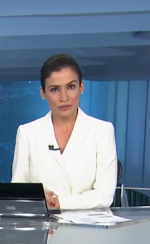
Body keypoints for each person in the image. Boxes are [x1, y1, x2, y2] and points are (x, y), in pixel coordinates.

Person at [11, 54, 117, 210]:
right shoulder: (27, 133)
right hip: (44, 229)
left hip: (89, 229)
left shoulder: (102, 131)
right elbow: (18, 191)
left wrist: (58, 203)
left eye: (71, 87)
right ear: (43, 93)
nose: (64, 97)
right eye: (55, 89)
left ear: (81, 87)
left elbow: (104, 195)